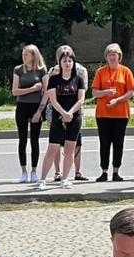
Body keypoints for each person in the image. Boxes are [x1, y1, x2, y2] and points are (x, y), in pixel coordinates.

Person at [36, 47, 84, 190]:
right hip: (58, 117)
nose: (67, 63)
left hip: (74, 117)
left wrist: (70, 113)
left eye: (70, 61)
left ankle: (65, 179)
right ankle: (43, 179)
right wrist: (63, 113)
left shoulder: (78, 79)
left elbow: (81, 99)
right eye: (65, 61)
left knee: (70, 149)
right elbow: (53, 99)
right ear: (60, 63)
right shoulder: (54, 79)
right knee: (53, 148)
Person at [93, 43, 134, 183]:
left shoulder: (125, 71)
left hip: (120, 113)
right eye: (109, 55)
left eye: (114, 54)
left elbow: (131, 92)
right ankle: (104, 171)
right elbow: (94, 92)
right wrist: (106, 92)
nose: (112, 57)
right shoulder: (101, 71)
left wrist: (118, 99)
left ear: (119, 56)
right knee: (104, 143)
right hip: (103, 113)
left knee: (118, 143)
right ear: (106, 57)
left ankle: (116, 171)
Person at [12, 45, 47, 184]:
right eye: (23, 54)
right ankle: (24, 172)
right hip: (22, 106)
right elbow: (15, 91)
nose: (24, 57)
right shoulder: (18, 70)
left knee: (34, 140)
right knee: (22, 139)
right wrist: (32, 89)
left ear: (34, 56)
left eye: (27, 54)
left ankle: (34, 171)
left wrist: (39, 111)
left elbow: (46, 92)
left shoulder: (41, 70)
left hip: (36, 106)